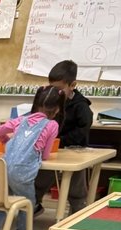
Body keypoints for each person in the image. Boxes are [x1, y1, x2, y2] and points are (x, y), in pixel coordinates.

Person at [0, 85, 63, 230]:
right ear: (57, 109)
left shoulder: (21, 119)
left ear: (37, 103)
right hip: (23, 172)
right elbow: (45, 155)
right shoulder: (52, 125)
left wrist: (8, 143)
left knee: (1, 199)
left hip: (4, 168)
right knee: (28, 202)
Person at [34, 60, 94, 216]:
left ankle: (77, 212)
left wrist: (61, 140)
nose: (56, 93)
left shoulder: (81, 106)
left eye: (59, 89)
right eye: (52, 88)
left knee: (75, 182)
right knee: (42, 174)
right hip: (52, 150)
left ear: (72, 85)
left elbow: (82, 130)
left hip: (74, 150)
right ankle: (34, 204)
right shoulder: (51, 102)